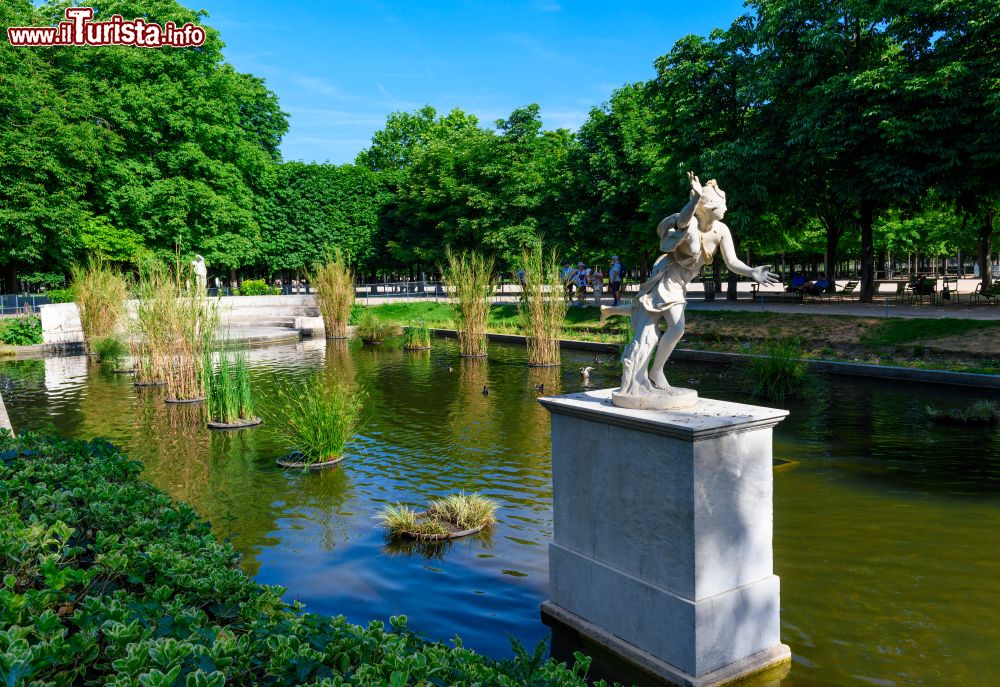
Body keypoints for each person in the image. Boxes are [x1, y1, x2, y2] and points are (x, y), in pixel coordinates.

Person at [601, 172, 778, 398]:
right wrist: (694, 199)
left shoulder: (721, 230)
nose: (726, 209)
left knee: (665, 325)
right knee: (673, 328)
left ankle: (652, 371)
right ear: (709, 207)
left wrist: (751, 272)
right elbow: (682, 222)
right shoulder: (692, 222)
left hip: (681, 282)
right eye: (722, 205)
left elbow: (732, 262)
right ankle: (651, 374)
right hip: (668, 277)